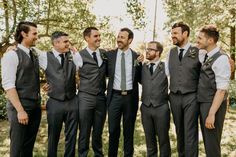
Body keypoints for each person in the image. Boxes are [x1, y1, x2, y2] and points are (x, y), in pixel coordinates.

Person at [1, 21, 41, 157]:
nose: (37, 36)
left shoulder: (34, 53)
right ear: (24, 34)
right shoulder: (11, 55)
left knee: (27, 147)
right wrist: (20, 110)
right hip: (20, 107)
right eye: (34, 33)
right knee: (17, 148)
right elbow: (8, 85)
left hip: (35, 106)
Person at [165, 22, 205, 157]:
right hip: (174, 97)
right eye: (172, 34)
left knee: (190, 131)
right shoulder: (170, 53)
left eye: (175, 33)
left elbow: (212, 64)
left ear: (185, 34)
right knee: (179, 130)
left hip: (191, 97)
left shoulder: (199, 51)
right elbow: (164, 73)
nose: (172, 36)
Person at [38, 31, 79, 157]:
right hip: (55, 102)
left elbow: (81, 71)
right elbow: (27, 54)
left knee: (71, 135)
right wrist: (13, 47)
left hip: (72, 101)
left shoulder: (73, 55)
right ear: (56, 43)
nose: (68, 44)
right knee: (53, 135)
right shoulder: (44, 56)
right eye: (65, 41)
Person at [106, 28, 142, 157]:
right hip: (114, 97)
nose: (119, 39)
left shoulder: (136, 57)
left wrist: (142, 62)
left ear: (130, 40)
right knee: (113, 130)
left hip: (130, 98)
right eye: (118, 36)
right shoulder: (109, 55)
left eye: (122, 37)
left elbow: (141, 78)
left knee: (129, 131)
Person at [196, 25, 230, 157]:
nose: (197, 40)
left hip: (213, 105)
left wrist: (211, 114)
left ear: (210, 41)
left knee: (212, 144)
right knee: (208, 142)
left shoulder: (221, 58)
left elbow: (221, 90)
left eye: (200, 38)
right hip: (204, 102)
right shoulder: (206, 54)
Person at [77, 27, 107, 157]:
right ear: (87, 38)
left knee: (98, 130)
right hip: (85, 97)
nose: (99, 38)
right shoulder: (79, 55)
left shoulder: (104, 54)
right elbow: (69, 73)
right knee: (84, 130)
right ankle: (82, 154)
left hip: (101, 98)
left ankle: (98, 154)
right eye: (95, 36)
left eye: (99, 36)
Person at [141, 41, 171, 157]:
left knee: (163, 139)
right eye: (147, 49)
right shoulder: (143, 66)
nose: (147, 51)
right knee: (149, 140)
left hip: (161, 108)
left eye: (150, 49)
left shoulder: (166, 66)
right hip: (146, 108)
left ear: (158, 52)